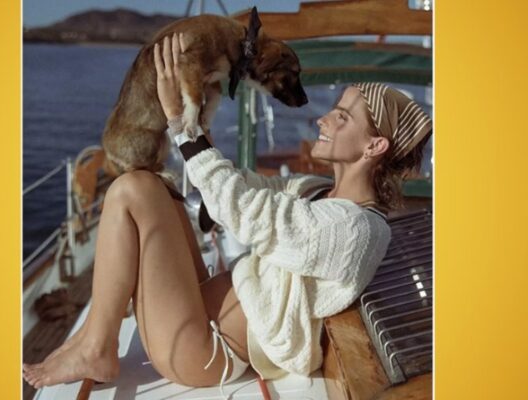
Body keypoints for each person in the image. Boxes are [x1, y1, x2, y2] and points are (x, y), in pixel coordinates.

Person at [23, 34, 432, 394]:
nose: (322, 119)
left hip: (205, 350)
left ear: (374, 147)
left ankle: (97, 347)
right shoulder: (317, 190)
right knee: (155, 187)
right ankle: (94, 335)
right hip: (200, 311)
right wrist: (194, 117)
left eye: (341, 117)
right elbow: (241, 187)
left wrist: (180, 126)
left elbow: (246, 212)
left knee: (131, 190)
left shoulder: (356, 229)